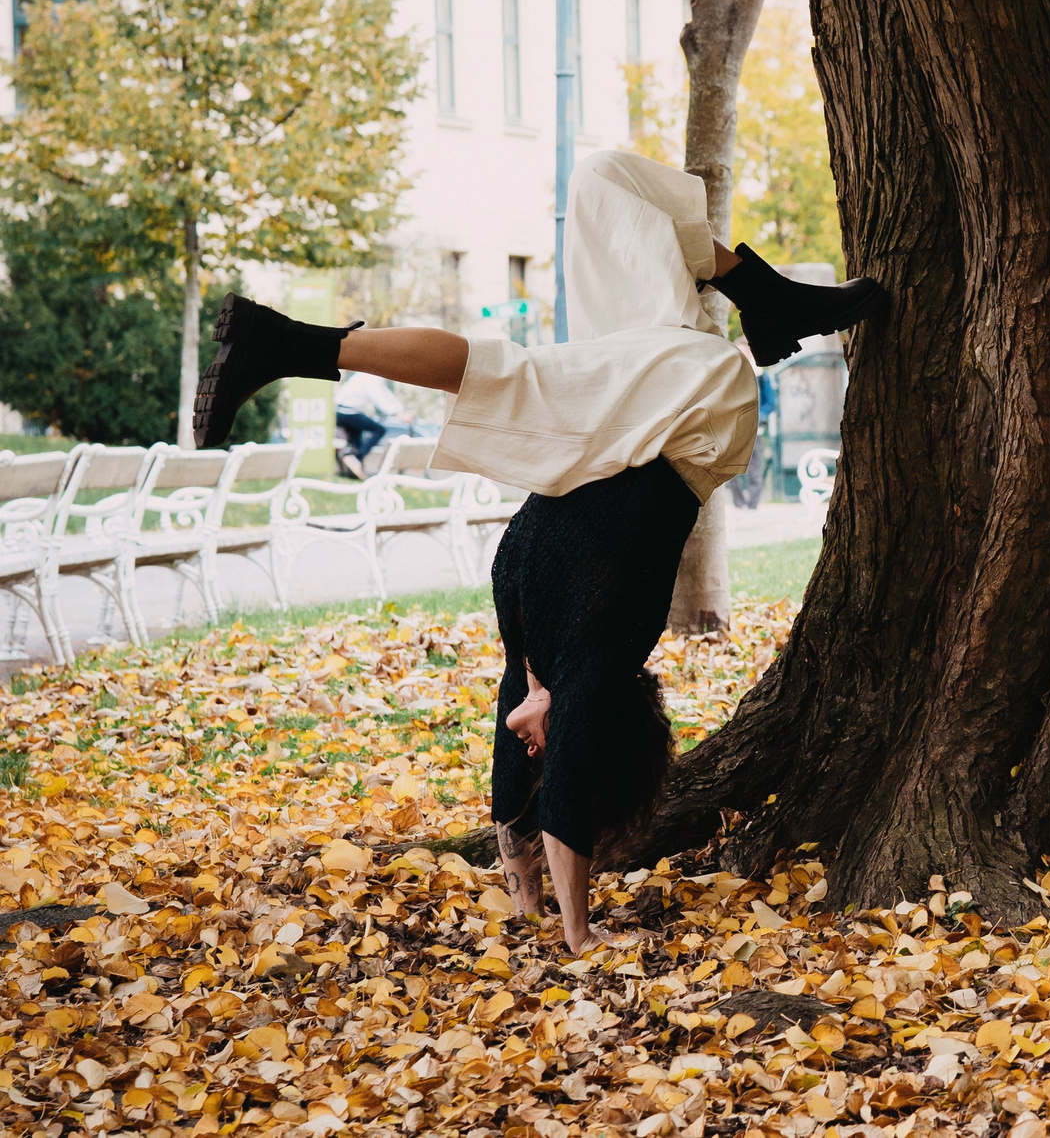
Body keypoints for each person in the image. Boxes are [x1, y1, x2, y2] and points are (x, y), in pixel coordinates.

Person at [188, 150, 887, 955]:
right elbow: (567, 802)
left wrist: (523, 907)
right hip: (697, 411)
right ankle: (284, 344)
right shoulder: (593, 664)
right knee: (509, 372)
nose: (525, 743)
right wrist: (578, 930)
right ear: (582, 729)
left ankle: (761, 295)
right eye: (544, 745)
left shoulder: (536, 665)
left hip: (637, 418)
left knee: (602, 189)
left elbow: (514, 805)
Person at [333, 367, 414, 477]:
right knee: (379, 430)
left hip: (343, 411)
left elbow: (386, 394)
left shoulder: (370, 375)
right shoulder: (371, 376)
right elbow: (378, 397)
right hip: (348, 412)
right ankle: (354, 458)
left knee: (357, 441)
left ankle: (353, 471)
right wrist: (397, 413)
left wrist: (400, 410)